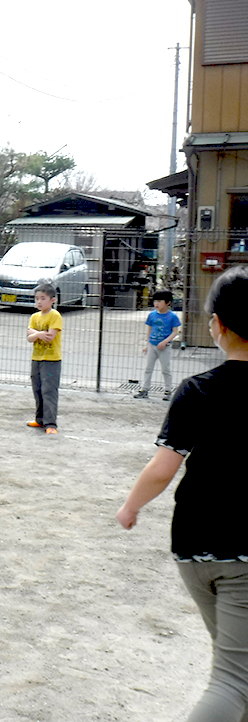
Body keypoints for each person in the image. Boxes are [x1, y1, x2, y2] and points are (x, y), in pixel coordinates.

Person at [116, 266, 248, 722]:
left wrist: (131, 506)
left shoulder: (197, 391)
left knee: (238, 669)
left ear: (217, 325)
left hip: (194, 547)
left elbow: (162, 468)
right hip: (243, 553)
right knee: (234, 680)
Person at [26, 282, 63, 435]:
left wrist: (36, 334)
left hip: (51, 360)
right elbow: (29, 337)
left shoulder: (55, 315)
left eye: (43, 298)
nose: (39, 302)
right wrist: (38, 334)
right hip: (37, 358)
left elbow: (50, 336)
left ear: (52, 300)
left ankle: (51, 423)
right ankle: (40, 419)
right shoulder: (34, 316)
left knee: (49, 391)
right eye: (37, 299)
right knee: (38, 389)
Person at [134, 289, 182, 401]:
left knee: (165, 369)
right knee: (148, 368)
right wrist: (147, 344)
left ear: (168, 302)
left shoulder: (172, 316)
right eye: (155, 301)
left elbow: (175, 331)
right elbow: (149, 330)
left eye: (160, 301)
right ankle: (144, 389)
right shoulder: (152, 315)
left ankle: (168, 390)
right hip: (152, 345)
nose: (156, 303)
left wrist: (165, 342)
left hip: (164, 347)